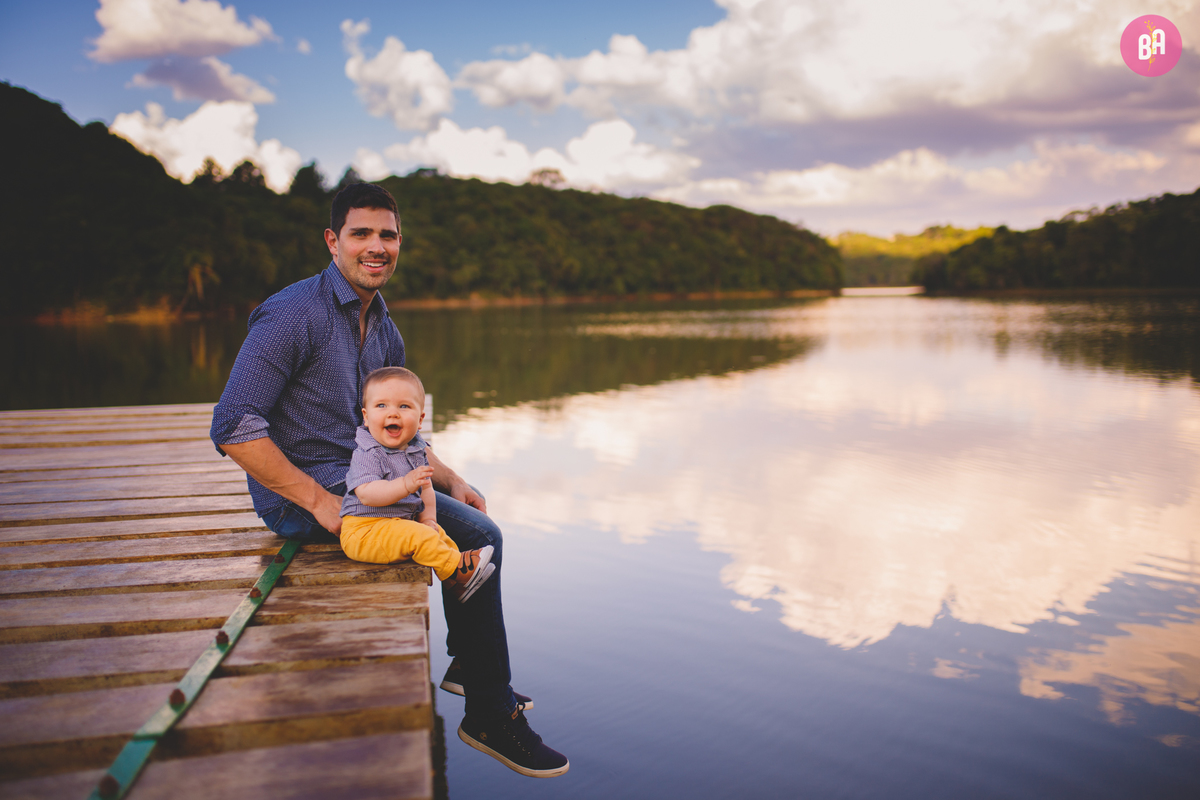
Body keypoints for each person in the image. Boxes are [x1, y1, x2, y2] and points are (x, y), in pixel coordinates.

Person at [209, 182, 568, 778]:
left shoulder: (382, 327)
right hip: (304, 495)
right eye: (361, 234)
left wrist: (448, 477)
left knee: (471, 518)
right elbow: (232, 425)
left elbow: (394, 428)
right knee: (481, 539)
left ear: (400, 243)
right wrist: (320, 502)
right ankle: (488, 713)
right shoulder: (291, 314)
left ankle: (469, 664)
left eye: (388, 235)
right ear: (333, 241)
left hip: (364, 474)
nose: (376, 246)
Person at [340, 366, 495, 603]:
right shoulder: (367, 453)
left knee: (437, 534)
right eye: (381, 406)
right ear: (366, 416)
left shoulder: (414, 451)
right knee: (418, 535)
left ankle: (455, 580)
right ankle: (458, 569)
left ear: (420, 419)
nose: (393, 414)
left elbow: (427, 490)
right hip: (364, 532)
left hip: (393, 526)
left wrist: (429, 519)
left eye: (404, 406)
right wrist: (404, 484)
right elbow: (368, 494)